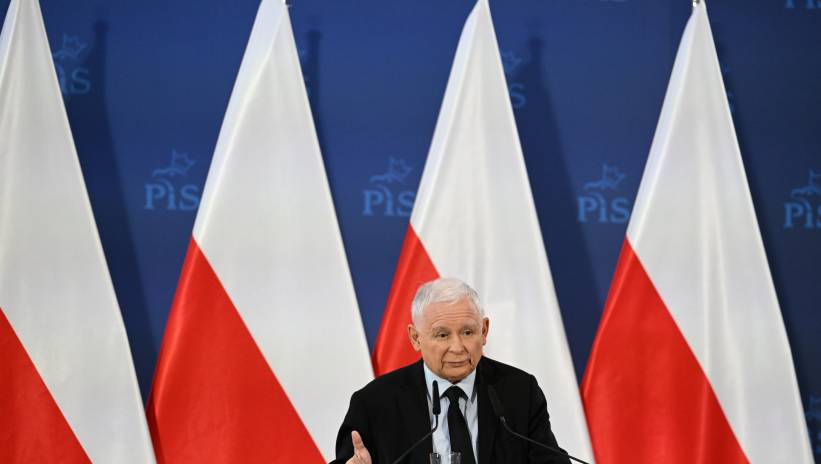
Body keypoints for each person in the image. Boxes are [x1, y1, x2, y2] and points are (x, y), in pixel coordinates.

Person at [331, 278, 571, 464]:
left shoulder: (519, 391)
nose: (457, 347)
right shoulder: (374, 403)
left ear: (484, 331)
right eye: (442, 335)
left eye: (468, 332)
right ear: (415, 338)